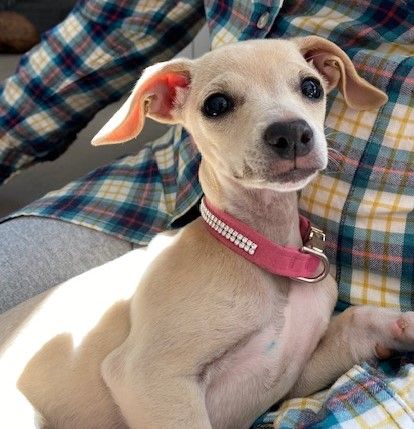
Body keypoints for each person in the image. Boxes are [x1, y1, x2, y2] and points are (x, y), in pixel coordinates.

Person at [0, 0, 413, 427]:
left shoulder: (318, 287)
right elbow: (144, 376)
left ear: (330, 76)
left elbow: (272, 381)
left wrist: (363, 330)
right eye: (219, 105)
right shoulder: (205, 276)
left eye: (308, 89)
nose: (288, 128)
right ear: (167, 100)